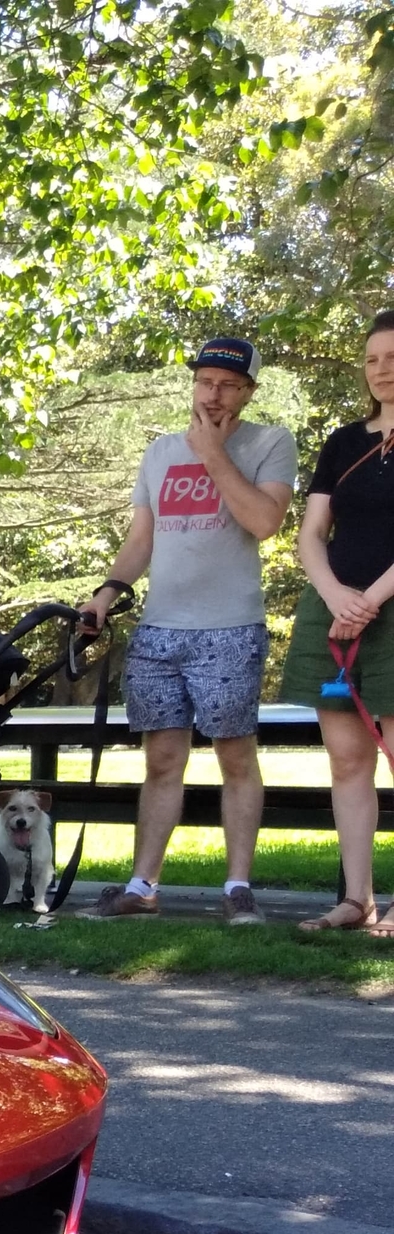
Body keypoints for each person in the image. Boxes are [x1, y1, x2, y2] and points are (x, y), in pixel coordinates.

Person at [80, 337, 297, 924]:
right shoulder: (158, 452)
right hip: (160, 629)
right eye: (205, 382)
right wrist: (106, 594)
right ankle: (142, 884)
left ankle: (236, 889)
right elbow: (141, 540)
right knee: (162, 760)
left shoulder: (270, 442)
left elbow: (265, 521)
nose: (214, 394)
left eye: (228, 385)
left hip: (229, 627)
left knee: (234, 757)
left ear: (248, 392)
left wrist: (212, 454)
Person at [281, 309, 394, 933]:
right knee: (348, 762)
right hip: (335, 610)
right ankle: (357, 900)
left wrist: (368, 599)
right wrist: (333, 594)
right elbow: (311, 533)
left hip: (384, 607)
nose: (382, 370)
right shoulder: (344, 441)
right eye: (373, 359)